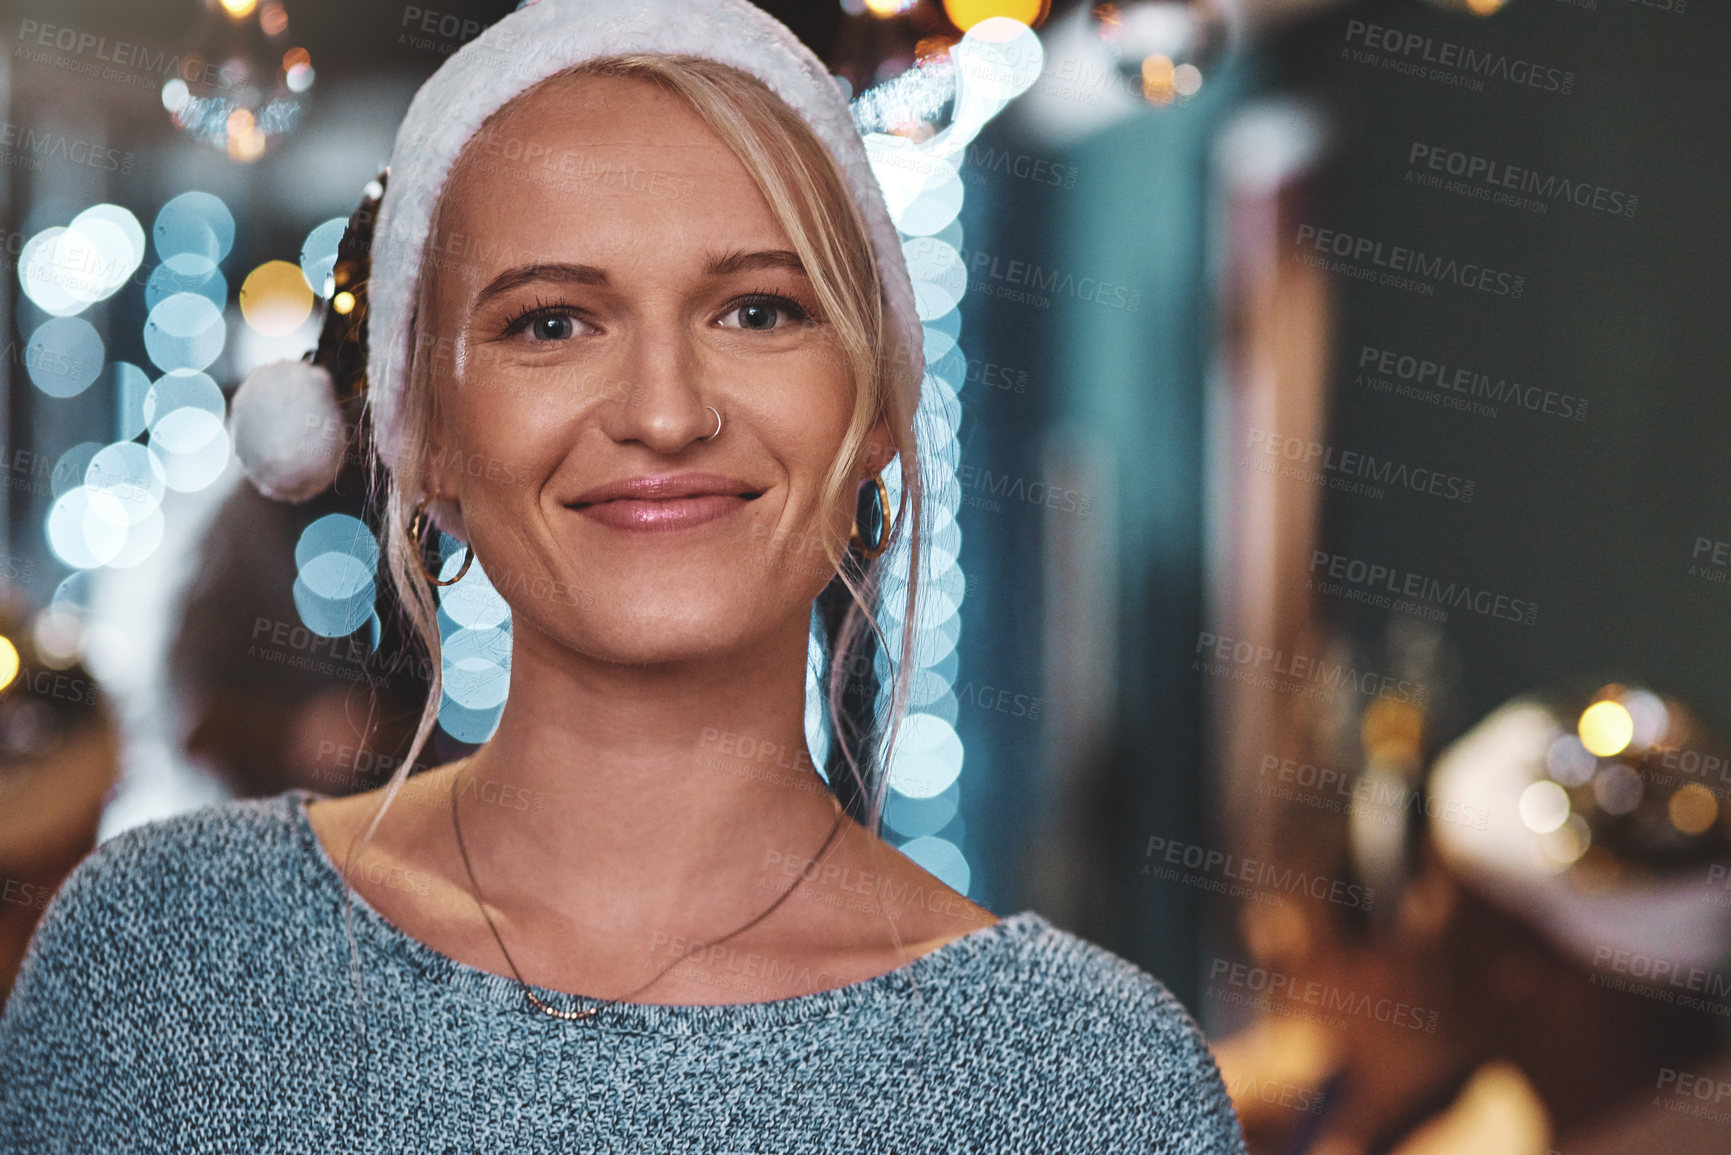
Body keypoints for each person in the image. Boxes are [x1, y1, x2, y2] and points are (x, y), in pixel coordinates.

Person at [0, 1, 1246, 1150]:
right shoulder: (165, 960)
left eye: (758, 311)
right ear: (421, 434)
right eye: (551, 323)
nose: (664, 412)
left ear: (873, 405)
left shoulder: (1092, 1086)